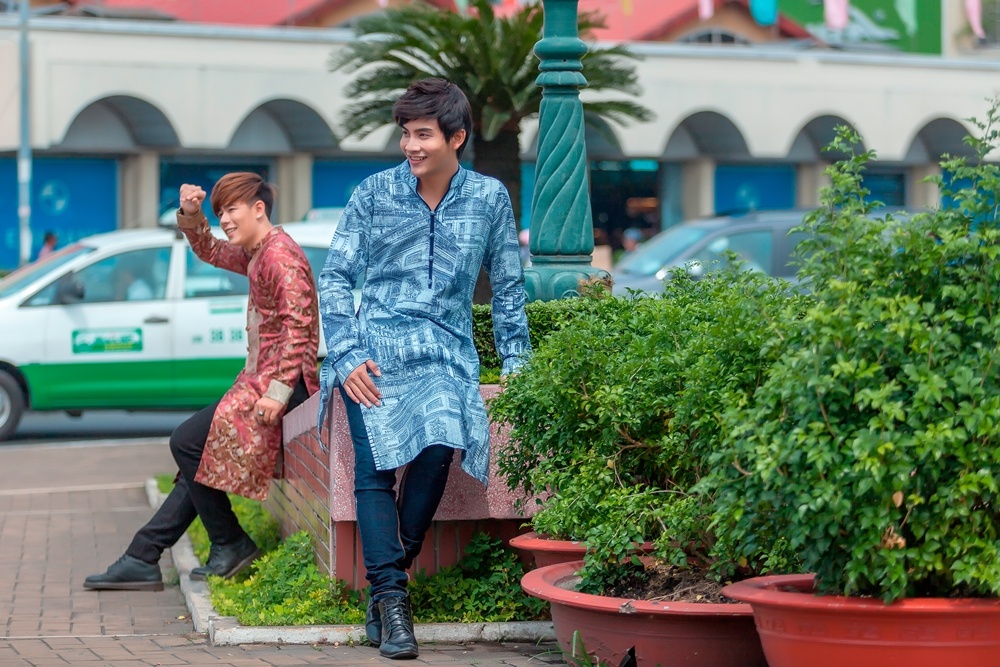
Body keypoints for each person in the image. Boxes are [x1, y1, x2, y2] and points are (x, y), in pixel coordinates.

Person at [317, 78, 530, 660]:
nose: (411, 146)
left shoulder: (488, 199)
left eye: (424, 135)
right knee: (374, 472)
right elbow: (334, 277)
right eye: (406, 134)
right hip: (373, 349)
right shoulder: (373, 194)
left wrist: (517, 363)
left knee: (439, 447)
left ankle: (388, 582)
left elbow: (509, 289)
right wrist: (345, 353)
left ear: (456, 137)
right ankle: (392, 599)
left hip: (445, 351)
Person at [84, 173, 319, 591]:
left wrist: (278, 393)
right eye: (220, 211)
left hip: (279, 387)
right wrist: (191, 215)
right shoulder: (258, 252)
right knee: (198, 452)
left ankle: (228, 542)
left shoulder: (280, 256)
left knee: (187, 442)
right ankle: (144, 555)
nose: (224, 219)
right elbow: (211, 249)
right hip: (261, 380)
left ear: (258, 209)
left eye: (231, 209)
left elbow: (299, 327)